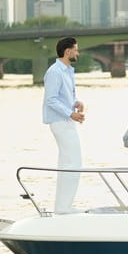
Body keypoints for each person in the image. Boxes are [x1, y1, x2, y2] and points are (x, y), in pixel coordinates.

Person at [42, 37, 85, 214]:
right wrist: (70, 114)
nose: (77, 52)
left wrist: (76, 103)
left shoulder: (68, 71)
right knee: (72, 161)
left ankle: (63, 206)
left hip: (67, 120)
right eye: (76, 49)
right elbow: (51, 100)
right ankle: (64, 207)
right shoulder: (54, 72)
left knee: (69, 161)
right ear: (67, 52)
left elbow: (65, 96)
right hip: (60, 121)